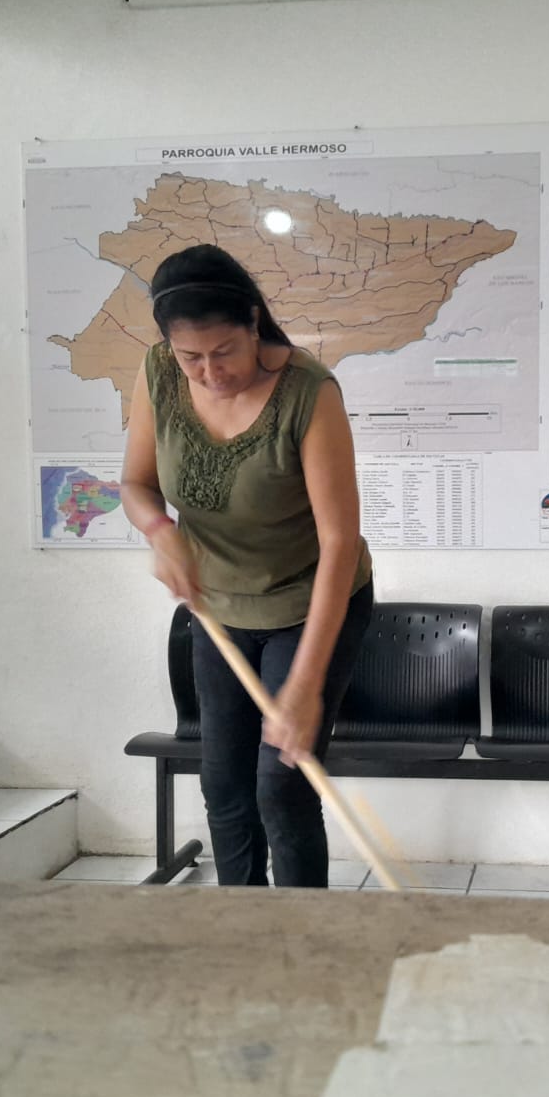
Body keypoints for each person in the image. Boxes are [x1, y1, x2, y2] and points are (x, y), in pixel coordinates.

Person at [120, 244, 374, 889]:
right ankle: (240, 923)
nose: (209, 372)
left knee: (282, 782)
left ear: (254, 322)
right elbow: (136, 484)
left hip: (310, 601)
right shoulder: (158, 373)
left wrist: (304, 688)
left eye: (224, 351)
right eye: (190, 357)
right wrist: (159, 531)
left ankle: (300, 932)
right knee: (224, 783)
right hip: (218, 606)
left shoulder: (309, 393)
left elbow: (340, 543)